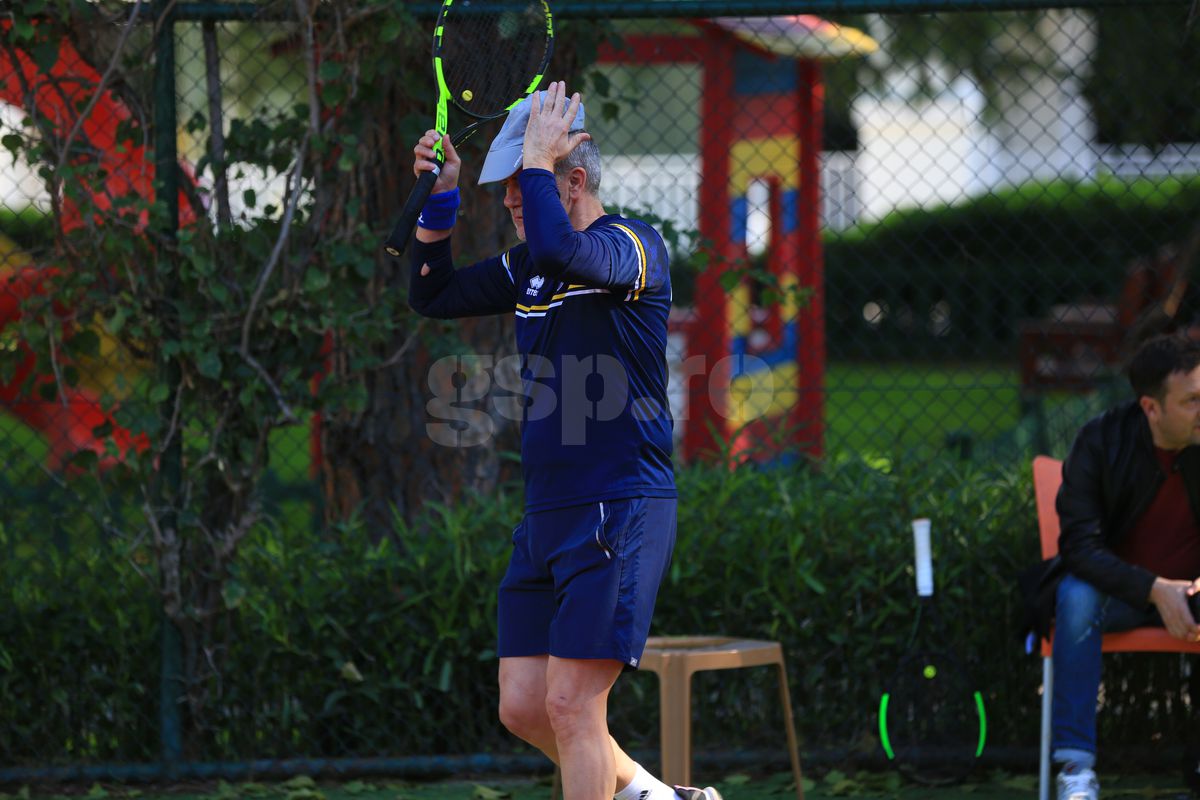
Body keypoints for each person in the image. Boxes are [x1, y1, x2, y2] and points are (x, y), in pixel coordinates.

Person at [406, 81, 722, 800]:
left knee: (573, 707)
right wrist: (441, 197)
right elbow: (433, 293)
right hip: (547, 515)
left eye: (526, 185)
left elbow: (559, 243)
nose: (512, 202)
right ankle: (658, 796)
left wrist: (543, 161)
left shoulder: (633, 249)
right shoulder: (530, 269)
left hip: (619, 508)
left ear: (573, 180)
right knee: (522, 704)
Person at [1045, 332, 1200, 800]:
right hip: (1122, 596)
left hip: (1195, 594)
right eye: (1192, 401)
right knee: (1074, 596)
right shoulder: (1100, 440)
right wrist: (1153, 588)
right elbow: (1078, 547)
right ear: (1151, 408)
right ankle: (1076, 769)